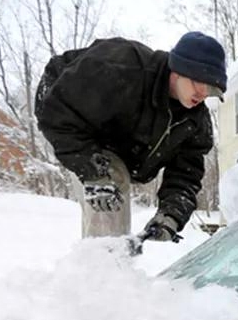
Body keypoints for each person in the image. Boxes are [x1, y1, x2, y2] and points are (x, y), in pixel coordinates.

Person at [35, 32, 226, 240]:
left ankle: (112, 259)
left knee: (115, 180)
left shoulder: (195, 121)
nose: (204, 93)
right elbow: (58, 112)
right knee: (111, 182)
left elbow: (186, 173)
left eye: (212, 90)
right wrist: (92, 170)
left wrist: (171, 215)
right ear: (180, 68)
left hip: (121, 145)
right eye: (201, 83)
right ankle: (103, 262)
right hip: (67, 108)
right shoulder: (122, 68)